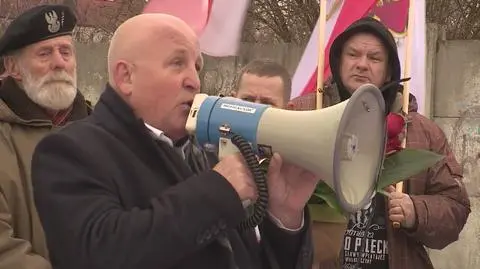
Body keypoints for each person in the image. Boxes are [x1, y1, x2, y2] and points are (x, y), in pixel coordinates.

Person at [31, 13, 318, 269]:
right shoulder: (70, 151)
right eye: (177, 63)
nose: (194, 80)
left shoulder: (208, 154)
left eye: (196, 66)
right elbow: (98, 252)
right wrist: (217, 192)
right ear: (126, 76)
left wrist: (284, 217)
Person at [291, 17, 471, 269]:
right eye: (353, 54)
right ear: (338, 62)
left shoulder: (421, 132)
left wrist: (416, 211)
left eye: (374, 58)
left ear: (389, 71)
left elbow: (456, 208)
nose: (362, 64)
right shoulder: (302, 114)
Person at [0, 4, 91, 269]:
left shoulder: (104, 131)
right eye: (44, 54)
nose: (59, 63)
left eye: (66, 52)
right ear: (13, 67)